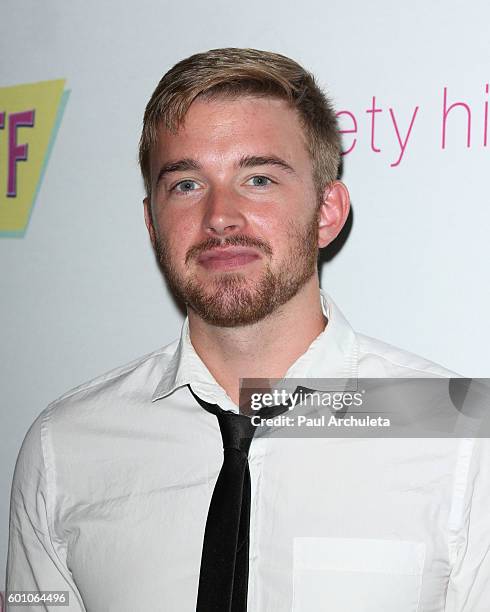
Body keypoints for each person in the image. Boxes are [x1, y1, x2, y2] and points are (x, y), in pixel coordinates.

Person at [5, 48, 490, 611]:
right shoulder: (64, 447)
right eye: (185, 184)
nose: (219, 216)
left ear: (327, 212)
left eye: (257, 179)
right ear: (151, 222)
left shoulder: (461, 439)